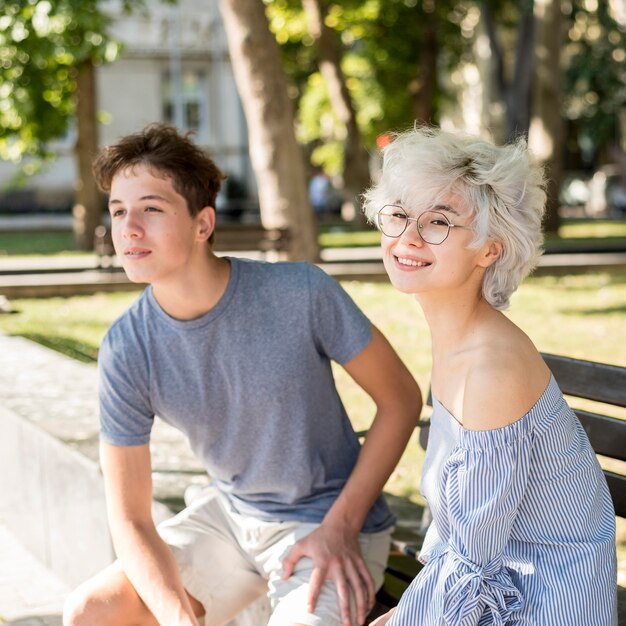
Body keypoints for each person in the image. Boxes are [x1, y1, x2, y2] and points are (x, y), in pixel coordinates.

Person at [62, 123, 423, 626]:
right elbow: (130, 517)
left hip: (328, 526)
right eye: (119, 211)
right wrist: (175, 616)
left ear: (202, 223)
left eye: (151, 208)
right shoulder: (127, 347)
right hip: (228, 521)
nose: (129, 228)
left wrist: (342, 525)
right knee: (89, 613)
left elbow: (402, 398)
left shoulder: (300, 292)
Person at [362, 126, 617, 625]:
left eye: (439, 222)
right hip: (497, 584)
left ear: (490, 249)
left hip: (540, 603)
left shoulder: (490, 369)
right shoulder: (458, 337)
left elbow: (472, 564)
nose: (408, 238)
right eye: (398, 216)